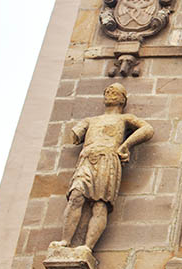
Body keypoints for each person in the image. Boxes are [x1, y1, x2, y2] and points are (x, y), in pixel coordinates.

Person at [51, 83, 154, 252]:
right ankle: (65, 241)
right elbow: (75, 135)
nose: (109, 93)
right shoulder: (91, 120)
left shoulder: (125, 118)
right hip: (86, 158)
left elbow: (147, 129)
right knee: (75, 196)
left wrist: (125, 145)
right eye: (107, 91)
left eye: (115, 92)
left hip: (108, 159)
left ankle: (87, 247)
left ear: (123, 99)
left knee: (100, 204)